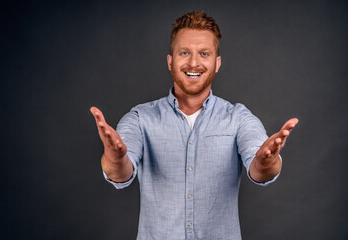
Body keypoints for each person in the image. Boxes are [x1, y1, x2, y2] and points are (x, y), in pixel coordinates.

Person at [90, 11, 298, 240]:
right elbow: (120, 172)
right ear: (170, 61)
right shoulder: (140, 118)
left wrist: (265, 161)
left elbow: (260, 170)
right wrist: (116, 158)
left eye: (204, 53)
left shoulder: (239, 118)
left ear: (217, 63)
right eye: (185, 52)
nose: (194, 63)